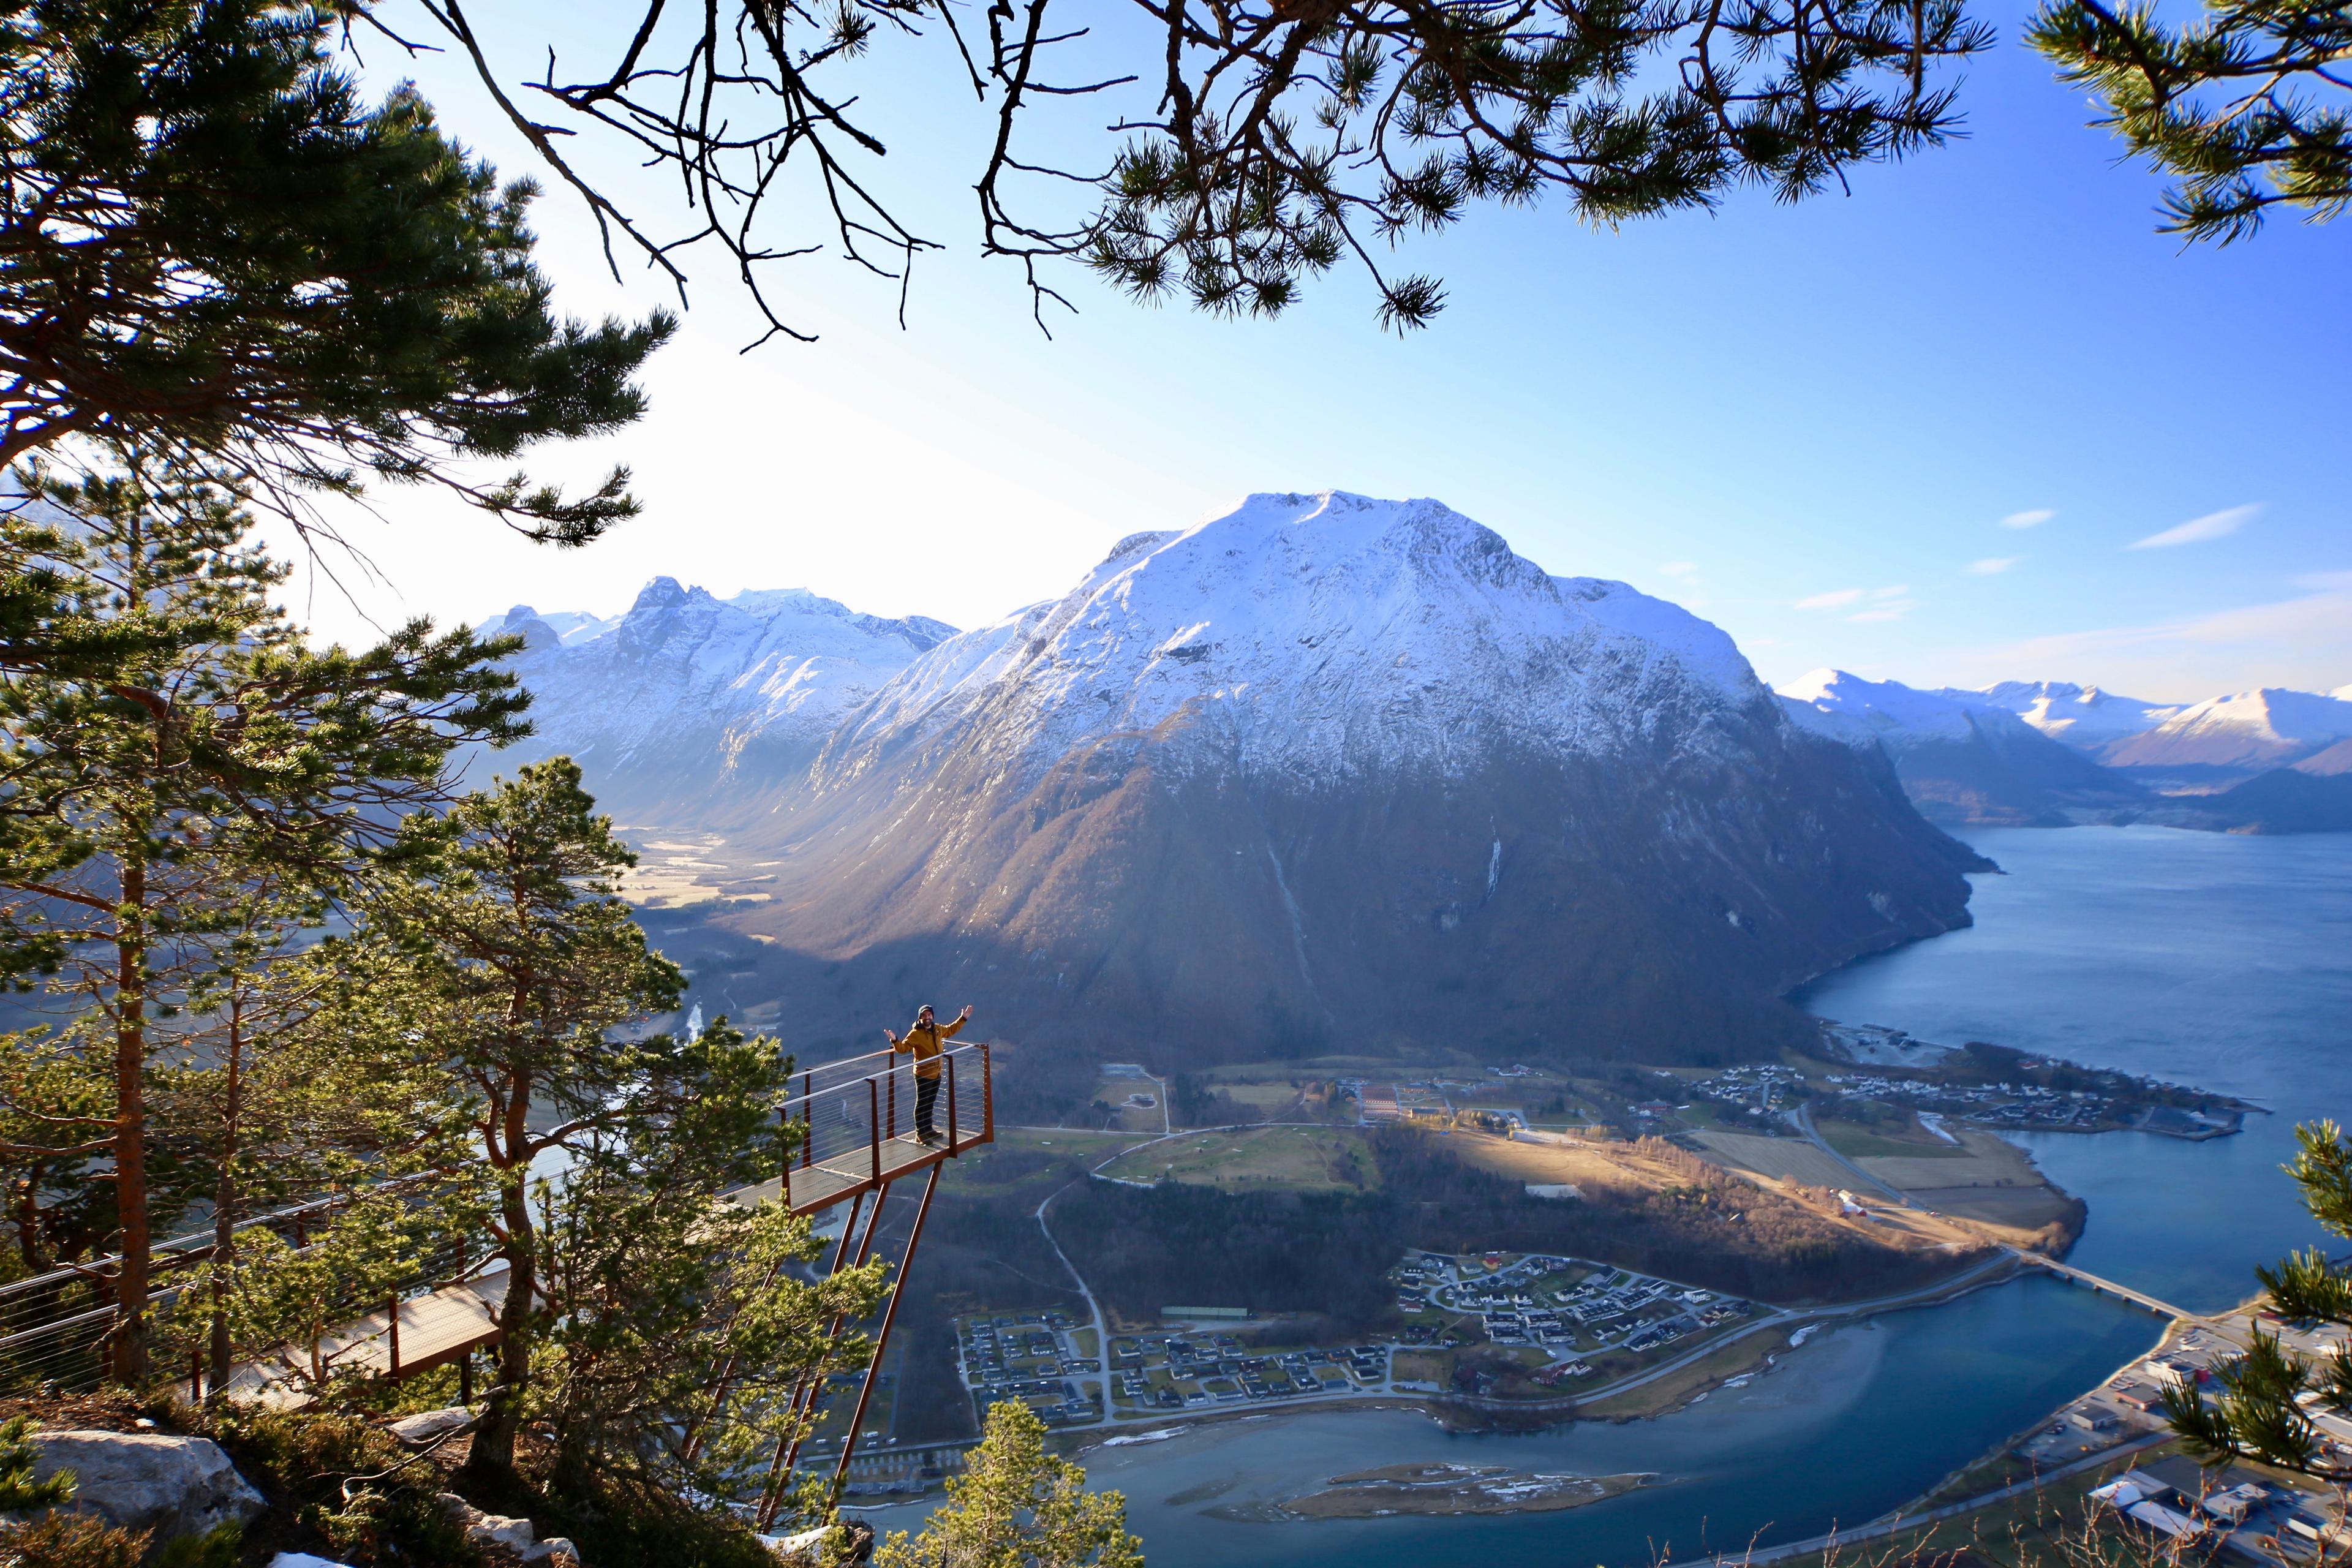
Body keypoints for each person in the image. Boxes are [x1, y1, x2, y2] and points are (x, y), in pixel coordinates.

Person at [884, 1003, 972, 1147]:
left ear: (932, 1016)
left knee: (930, 1102)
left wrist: (963, 1018)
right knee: (922, 1104)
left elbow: (950, 1030)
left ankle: (928, 1129)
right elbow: (903, 1049)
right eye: (924, 1015)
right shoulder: (916, 1034)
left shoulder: (937, 1029)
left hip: (936, 1072)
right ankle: (920, 1134)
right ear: (920, 1018)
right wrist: (894, 1040)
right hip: (923, 1074)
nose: (927, 1017)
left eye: (929, 1015)